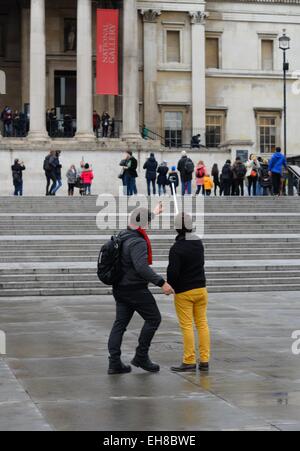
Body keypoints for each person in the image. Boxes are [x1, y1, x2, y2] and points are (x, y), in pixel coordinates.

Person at [108, 206, 174, 375]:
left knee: (119, 325)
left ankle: (114, 363)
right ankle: (141, 356)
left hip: (120, 287)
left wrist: (154, 212)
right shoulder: (138, 241)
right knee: (154, 319)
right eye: (148, 222)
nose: (149, 226)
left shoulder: (122, 234)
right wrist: (162, 283)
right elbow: (142, 267)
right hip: (135, 289)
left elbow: (139, 219)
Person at [167, 213, 210, 373]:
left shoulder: (176, 248)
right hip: (201, 288)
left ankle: (189, 360)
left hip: (184, 291)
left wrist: (171, 286)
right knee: (202, 324)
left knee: (187, 326)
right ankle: (205, 360)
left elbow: (173, 273)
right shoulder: (198, 243)